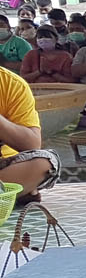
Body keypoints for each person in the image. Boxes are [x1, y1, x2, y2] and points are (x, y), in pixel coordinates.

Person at [0, 67, 60, 198]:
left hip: (4, 168)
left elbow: (32, 145)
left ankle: (10, 192)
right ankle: (14, 194)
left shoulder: (12, 84)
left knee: (45, 163)